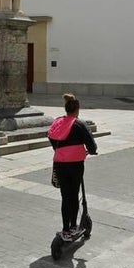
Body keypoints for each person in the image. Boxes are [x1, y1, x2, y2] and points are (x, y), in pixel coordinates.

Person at [47, 93, 97, 240]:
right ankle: (74, 226)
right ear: (77, 109)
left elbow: (51, 136)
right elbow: (91, 144)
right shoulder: (79, 124)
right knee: (74, 195)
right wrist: (92, 151)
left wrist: (59, 150)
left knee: (65, 196)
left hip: (59, 163)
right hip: (75, 164)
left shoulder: (57, 122)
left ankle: (65, 229)